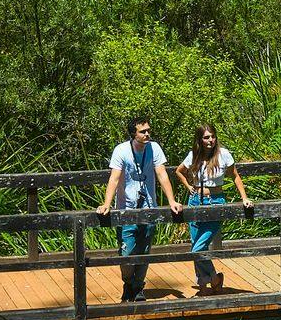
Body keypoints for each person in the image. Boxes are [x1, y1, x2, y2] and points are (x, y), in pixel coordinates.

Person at [95, 117, 183, 302]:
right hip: (126, 209)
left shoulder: (154, 148)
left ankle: (138, 287)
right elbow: (114, 178)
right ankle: (128, 283)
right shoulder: (121, 150)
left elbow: (162, 174)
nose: (147, 134)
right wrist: (106, 204)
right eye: (143, 132)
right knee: (126, 251)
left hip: (148, 207)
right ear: (133, 134)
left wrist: (172, 201)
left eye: (148, 130)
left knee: (144, 250)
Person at [176, 123, 253, 294]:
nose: (210, 140)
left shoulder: (223, 154)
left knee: (198, 248)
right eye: (206, 137)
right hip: (195, 200)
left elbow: (235, 176)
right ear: (200, 140)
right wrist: (188, 186)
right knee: (196, 245)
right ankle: (204, 286)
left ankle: (214, 278)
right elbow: (179, 171)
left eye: (212, 136)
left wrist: (244, 198)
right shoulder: (194, 155)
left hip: (216, 201)